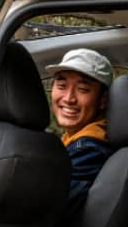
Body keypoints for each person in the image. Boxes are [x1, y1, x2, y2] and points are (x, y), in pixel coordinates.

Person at [46, 48, 115, 204]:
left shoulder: (90, 149)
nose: (69, 99)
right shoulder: (75, 140)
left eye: (82, 89)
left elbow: (49, 209)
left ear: (103, 100)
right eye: (62, 86)